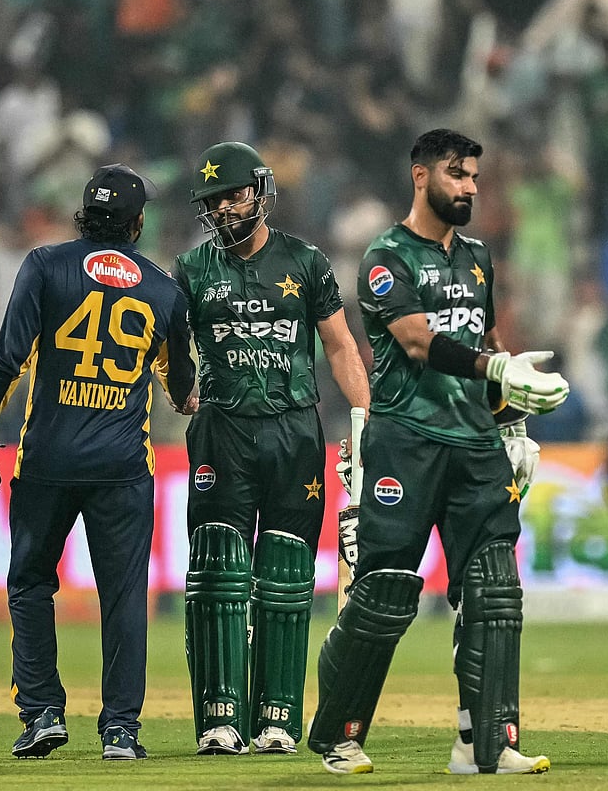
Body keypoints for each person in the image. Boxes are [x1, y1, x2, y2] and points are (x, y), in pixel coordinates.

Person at [305, 128, 568, 775]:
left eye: (475, 176)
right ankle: (339, 736)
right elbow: (419, 342)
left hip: (475, 445)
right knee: (385, 593)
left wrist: (511, 426)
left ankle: (484, 743)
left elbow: (488, 340)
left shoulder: (478, 257)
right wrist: (498, 373)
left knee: (494, 590)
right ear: (420, 175)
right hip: (407, 440)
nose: (470, 187)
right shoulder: (385, 257)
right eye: (457, 174)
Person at [0, 164, 196, 760]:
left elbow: (5, 360)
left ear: (84, 213)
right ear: (139, 223)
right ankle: (120, 731)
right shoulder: (164, 290)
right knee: (122, 596)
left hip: (46, 462)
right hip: (122, 468)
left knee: (31, 583)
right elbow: (181, 391)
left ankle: (41, 715)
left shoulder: (44, 266)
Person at [174, 141, 370, 757]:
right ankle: (219, 717)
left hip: (294, 431)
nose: (226, 208)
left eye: (235, 194)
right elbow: (165, 348)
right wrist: (176, 394)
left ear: (261, 192)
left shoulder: (306, 262)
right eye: (214, 200)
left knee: (285, 580)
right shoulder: (190, 268)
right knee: (216, 574)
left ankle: (278, 717)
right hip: (221, 430)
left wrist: (365, 421)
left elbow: (339, 347)